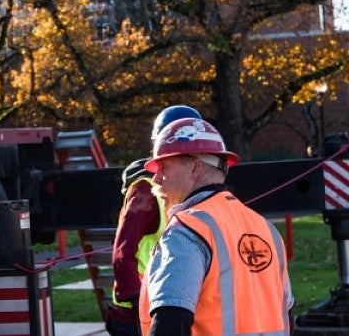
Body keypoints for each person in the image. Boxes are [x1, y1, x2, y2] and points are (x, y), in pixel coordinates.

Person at [138, 117, 293, 335]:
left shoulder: (187, 231)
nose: (156, 178)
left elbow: (170, 321)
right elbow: (286, 313)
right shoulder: (266, 229)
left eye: (164, 167)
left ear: (194, 168)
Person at [106, 105, 202, 336]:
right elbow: (123, 251)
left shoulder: (187, 187)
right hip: (139, 312)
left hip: (168, 303)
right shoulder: (146, 192)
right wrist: (135, 296)